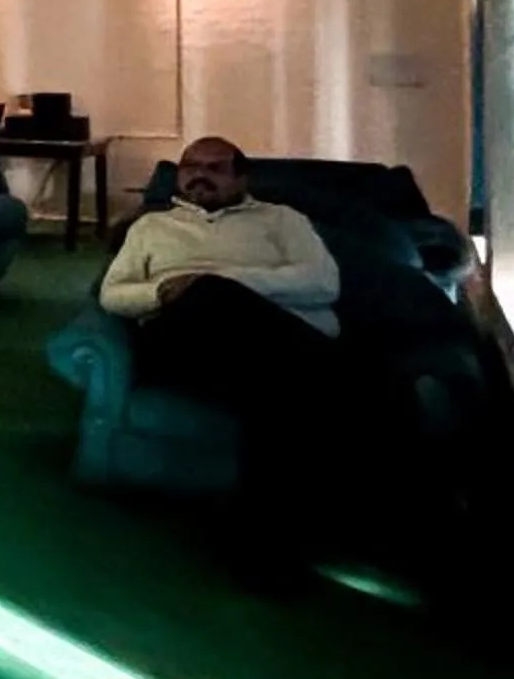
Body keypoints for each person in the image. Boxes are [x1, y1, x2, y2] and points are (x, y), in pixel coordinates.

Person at [98, 135, 354, 576]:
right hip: (185, 344)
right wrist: (163, 290)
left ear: (242, 177)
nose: (199, 175)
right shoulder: (150, 228)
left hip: (275, 350)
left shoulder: (282, 221)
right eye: (189, 166)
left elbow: (322, 283)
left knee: (272, 397)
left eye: (215, 168)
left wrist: (217, 280)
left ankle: (260, 547)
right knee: (223, 312)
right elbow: (112, 296)